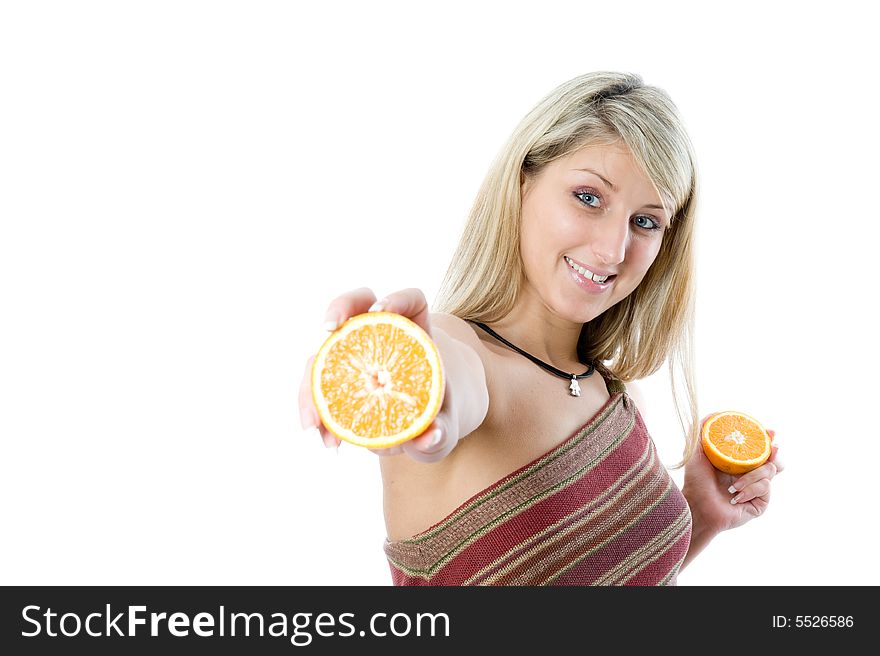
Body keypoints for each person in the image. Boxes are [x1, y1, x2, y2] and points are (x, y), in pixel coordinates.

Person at [298, 71, 783, 585]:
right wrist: (402, 379)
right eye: (589, 197)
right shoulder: (460, 350)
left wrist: (700, 519)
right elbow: (448, 385)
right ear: (524, 183)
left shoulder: (620, 398)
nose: (612, 250)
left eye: (646, 221)